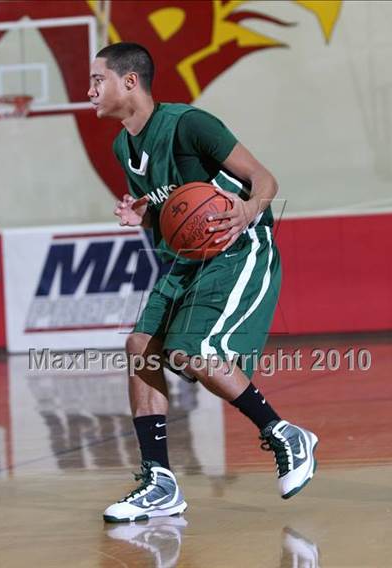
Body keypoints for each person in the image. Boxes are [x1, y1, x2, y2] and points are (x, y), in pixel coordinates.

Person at [87, 42, 318, 523]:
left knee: (192, 352)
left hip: (239, 245)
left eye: (97, 80)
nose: (89, 91)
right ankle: (160, 482)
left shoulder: (190, 124)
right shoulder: (122, 147)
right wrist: (144, 214)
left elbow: (264, 178)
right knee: (140, 346)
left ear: (129, 82)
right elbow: (176, 211)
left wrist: (248, 210)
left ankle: (284, 434)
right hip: (190, 259)